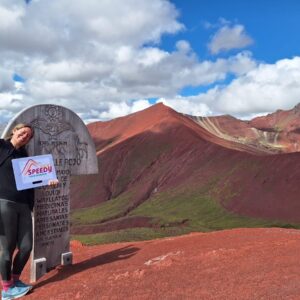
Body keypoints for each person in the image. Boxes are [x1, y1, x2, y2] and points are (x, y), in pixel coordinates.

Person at [0, 123, 58, 300]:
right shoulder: (1, 146)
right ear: (15, 131)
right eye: (23, 132)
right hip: (4, 203)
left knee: (26, 247)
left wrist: (46, 180)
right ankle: (7, 289)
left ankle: (16, 281)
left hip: (24, 205)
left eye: (29, 135)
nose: (25, 136)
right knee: (6, 248)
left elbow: (30, 179)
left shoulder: (24, 155)